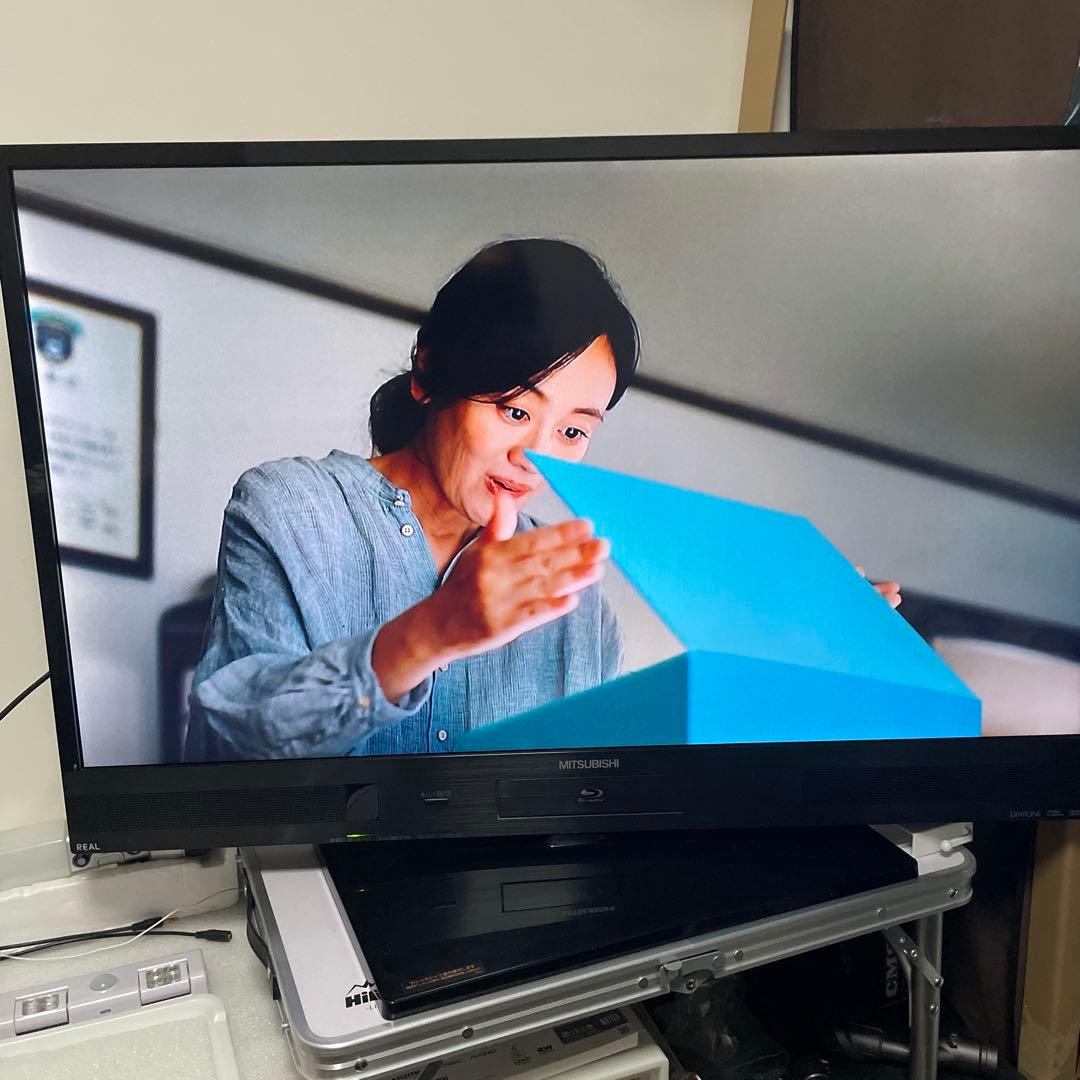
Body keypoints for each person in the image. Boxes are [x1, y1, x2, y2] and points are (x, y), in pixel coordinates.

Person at [186, 238, 640, 760]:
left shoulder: (580, 610)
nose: (536, 459)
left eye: (573, 432)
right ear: (428, 373)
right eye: (515, 411)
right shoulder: (290, 510)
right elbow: (237, 736)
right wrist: (432, 631)